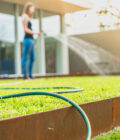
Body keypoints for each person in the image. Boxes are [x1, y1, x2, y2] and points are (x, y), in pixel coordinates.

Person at [22, 2, 43, 79]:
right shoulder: (25, 16)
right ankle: (25, 75)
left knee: (33, 58)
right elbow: (25, 29)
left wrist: (33, 41)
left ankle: (30, 75)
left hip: (30, 40)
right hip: (27, 40)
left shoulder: (28, 17)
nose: (33, 10)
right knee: (25, 58)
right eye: (32, 8)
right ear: (28, 8)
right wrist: (35, 33)